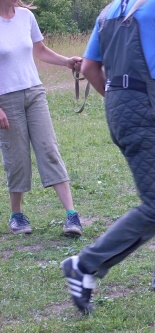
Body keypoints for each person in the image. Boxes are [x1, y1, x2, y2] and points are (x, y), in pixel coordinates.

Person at [61, 0, 155, 314]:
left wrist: (122, 99)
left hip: (119, 108)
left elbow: (88, 68)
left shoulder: (109, 11)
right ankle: (84, 265)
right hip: (148, 112)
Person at [0, 0, 83, 236]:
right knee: (16, 158)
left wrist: (67, 61)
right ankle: (16, 215)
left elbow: (40, 50)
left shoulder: (26, 17)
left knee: (49, 148)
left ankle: (71, 215)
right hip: (5, 98)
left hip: (34, 92)